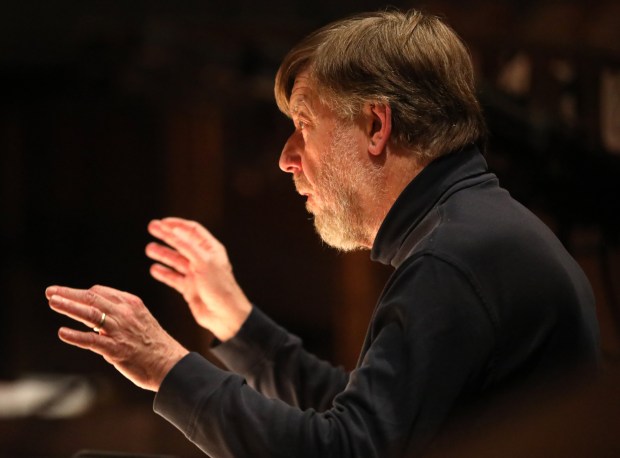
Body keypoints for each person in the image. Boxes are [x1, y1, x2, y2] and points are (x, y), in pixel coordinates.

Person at [45, 9, 600, 457]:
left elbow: (345, 449)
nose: (286, 158)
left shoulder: (457, 260)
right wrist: (237, 324)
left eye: (304, 125)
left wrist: (167, 366)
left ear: (376, 127)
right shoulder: (473, 233)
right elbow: (367, 417)